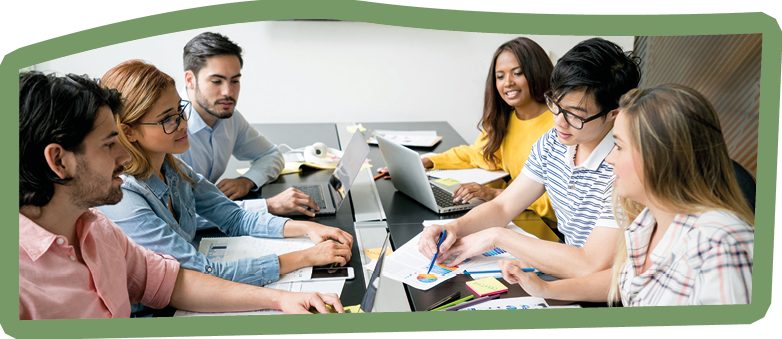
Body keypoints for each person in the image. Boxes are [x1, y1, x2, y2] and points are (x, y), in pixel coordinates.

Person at [19, 71, 344, 319]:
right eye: (109, 144)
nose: (123, 156)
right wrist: (303, 257)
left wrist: (280, 299)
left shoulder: (98, 229)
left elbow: (173, 282)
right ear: (59, 161)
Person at [96, 60, 353, 295]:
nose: (183, 124)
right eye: (167, 120)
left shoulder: (173, 168)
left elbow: (234, 217)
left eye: (179, 110)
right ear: (128, 132)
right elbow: (203, 271)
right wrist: (306, 256)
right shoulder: (124, 198)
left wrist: (308, 228)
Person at [499, 84, 754, 306]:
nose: (609, 158)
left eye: (619, 146)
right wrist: (545, 289)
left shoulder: (721, 245)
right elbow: (627, 282)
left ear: (660, 157)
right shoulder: (646, 223)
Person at [419, 38, 641, 278]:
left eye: (574, 114)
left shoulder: (623, 168)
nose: (558, 120)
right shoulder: (553, 142)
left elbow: (590, 264)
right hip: (565, 268)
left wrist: (497, 236)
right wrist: (452, 228)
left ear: (613, 114)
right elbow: (503, 206)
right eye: (555, 104)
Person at [379, 37, 559, 241]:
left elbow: (557, 201)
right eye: (500, 76)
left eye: (517, 73)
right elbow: (476, 153)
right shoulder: (507, 120)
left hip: (551, 230)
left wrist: (494, 194)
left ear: (536, 72)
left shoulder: (560, 125)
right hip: (517, 214)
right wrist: (427, 162)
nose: (508, 83)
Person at [177, 32, 321, 221]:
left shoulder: (229, 117)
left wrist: (247, 181)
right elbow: (178, 215)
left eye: (235, 81)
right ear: (190, 80)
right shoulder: (170, 129)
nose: (228, 92)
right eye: (216, 81)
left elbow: (271, 155)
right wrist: (267, 206)